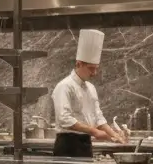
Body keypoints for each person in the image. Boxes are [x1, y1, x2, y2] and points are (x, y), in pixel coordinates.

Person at [51, 29, 126, 157]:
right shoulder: (64, 86)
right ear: (78, 64)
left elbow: (98, 117)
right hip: (67, 144)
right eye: (91, 69)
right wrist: (94, 132)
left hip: (86, 143)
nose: (94, 73)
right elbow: (64, 119)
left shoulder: (91, 88)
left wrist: (115, 135)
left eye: (96, 69)